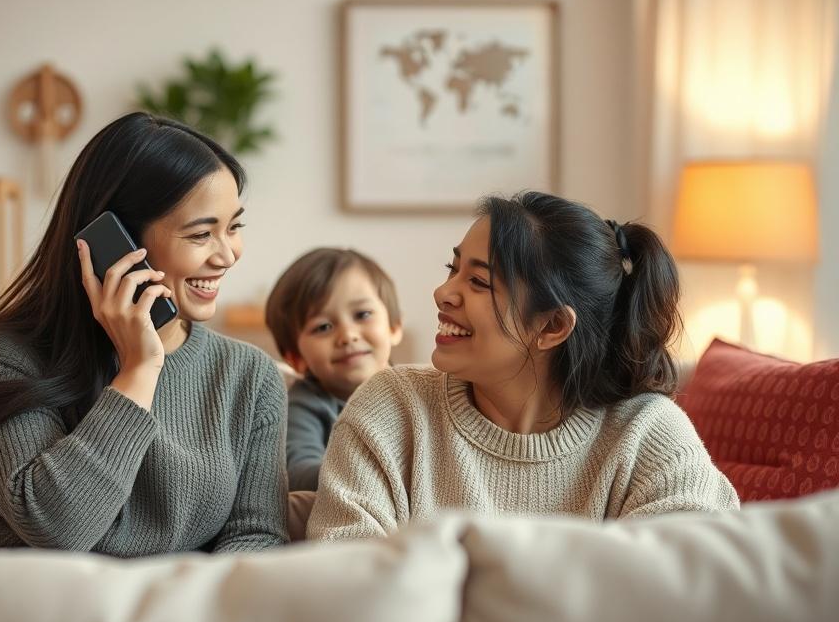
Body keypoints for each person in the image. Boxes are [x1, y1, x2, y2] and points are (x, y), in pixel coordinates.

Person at [0, 112, 288, 555]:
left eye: (234, 227)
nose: (228, 255)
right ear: (116, 243)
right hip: (16, 606)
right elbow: (58, 529)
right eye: (202, 233)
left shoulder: (251, 377)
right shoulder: (1, 357)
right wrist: (140, 370)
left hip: (166, 616)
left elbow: (256, 537)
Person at [306, 191, 739, 542]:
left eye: (478, 281)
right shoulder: (389, 408)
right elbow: (347, 583)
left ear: (551, 325)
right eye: (451, 269)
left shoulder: (649, 434)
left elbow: (685, 598)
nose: (442, 293)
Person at [265, 248, 403, 491]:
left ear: (393, 327)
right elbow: (297, 472)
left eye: (362, 314)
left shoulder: (418, 391)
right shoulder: (305, 405)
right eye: (323, 327)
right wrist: (367, 473)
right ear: (296, 358)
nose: (348, 336)